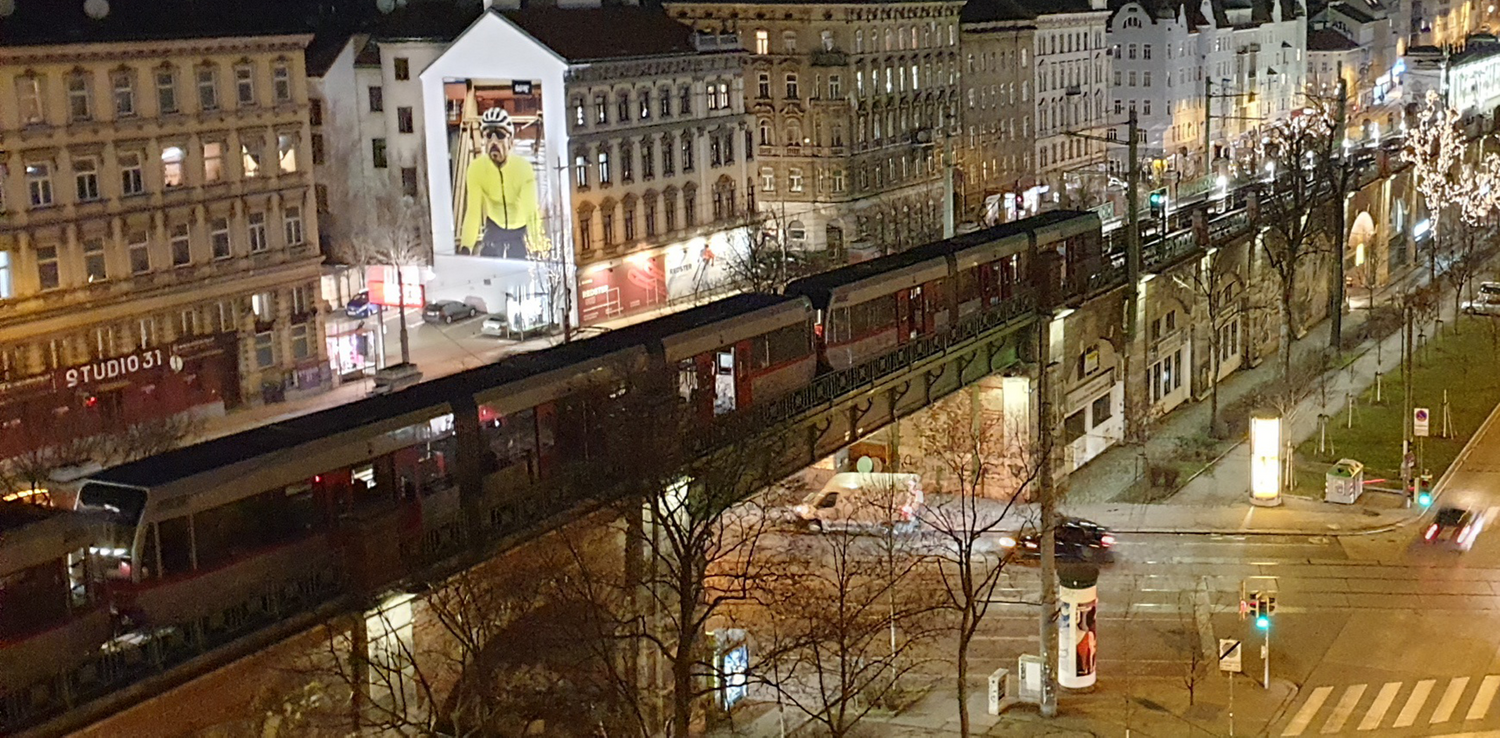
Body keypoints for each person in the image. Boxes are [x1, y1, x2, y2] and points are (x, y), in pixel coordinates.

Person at [458, 107, 549, 259]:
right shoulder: (476, 169)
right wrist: (466, 247)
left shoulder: (523, 168)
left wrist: (537, 246)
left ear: (510, 142)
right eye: (488, 136)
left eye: (500, 135)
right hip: (495, 225)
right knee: (488, 265)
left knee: (520, 267)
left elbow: (531, 212)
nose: (493, 142)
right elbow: (473, 212)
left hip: (519, 229)